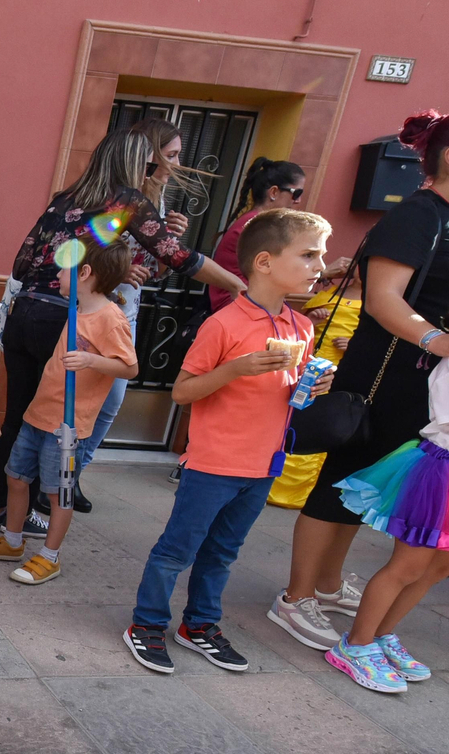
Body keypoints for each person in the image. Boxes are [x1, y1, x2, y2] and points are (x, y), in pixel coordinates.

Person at [0, 128, 245, 534]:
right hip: (64, 321)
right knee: (56, 421)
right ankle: (41, 513)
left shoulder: (66, 200)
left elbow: (24, 264)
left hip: (24, 315)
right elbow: (180, 259)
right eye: (155, 160)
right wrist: (234, 284)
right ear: (137, 162)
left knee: (20, 416)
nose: (161, 167)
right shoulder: (126, 202)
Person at [270, 111, 449, 653]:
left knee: (365, 486)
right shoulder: (420, 215)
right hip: (386, 373)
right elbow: (382, 299)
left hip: (423, 381)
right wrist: (437, 341)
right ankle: (296, 596)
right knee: (342, 478)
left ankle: (325, 583)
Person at [125, 209, 331, 673]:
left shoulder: (302, 327)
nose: (320, 265)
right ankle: (147, 623)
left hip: (264, 465)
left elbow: (288, 393)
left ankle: (199, 625)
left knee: (223, 552)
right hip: (214, 464)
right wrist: (234, 369)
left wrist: (313, 385)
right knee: (177, 551)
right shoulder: (224, 324)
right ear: (264, 262)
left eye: (320, 255)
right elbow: (182, 391)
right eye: (309, 254)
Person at [0, 237, 137, 583]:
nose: (58, 274)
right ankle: (13, 541)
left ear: (85, 273)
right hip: (38, 414)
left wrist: (92, 360)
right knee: (16, 477)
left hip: (67, 426)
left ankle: (50, 556)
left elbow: (130, 367)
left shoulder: (110, 318)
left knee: (58, 493)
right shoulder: (74, 308)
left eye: (65, 268)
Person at [70, 119, 207, 510]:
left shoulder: (157, 202)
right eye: (171, 155)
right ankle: (56, 478)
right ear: (147, 155)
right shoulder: (115, 198)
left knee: (111, 403)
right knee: (85, 397)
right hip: (93, 309)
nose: (176, 164)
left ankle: (73, 474)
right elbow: (79, 250)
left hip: (125, 310)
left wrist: (170, 239)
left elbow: (158, 269)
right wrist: (115, 268)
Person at [324, 355, 446, 692]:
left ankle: (380, 634)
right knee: (408, 566)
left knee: (438, 567)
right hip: (442, 471)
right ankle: (356, 644)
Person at [266, 274, 363, 508]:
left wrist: (353, 346)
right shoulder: (328, 295)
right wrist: (311, 319)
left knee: (319, 426)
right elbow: (299, 331)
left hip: (337, 376)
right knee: (290, 422)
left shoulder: (379, 305)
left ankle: (301, 492)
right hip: (306, 369)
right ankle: (270, 482)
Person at [209, 158, 306, 313]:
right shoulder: (257, 225)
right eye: (297, 193)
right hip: (238, 307)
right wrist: (324, 273)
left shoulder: (257, 222)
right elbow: (278, 270)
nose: (298, 201)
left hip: (246, 304)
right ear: (273, 192)